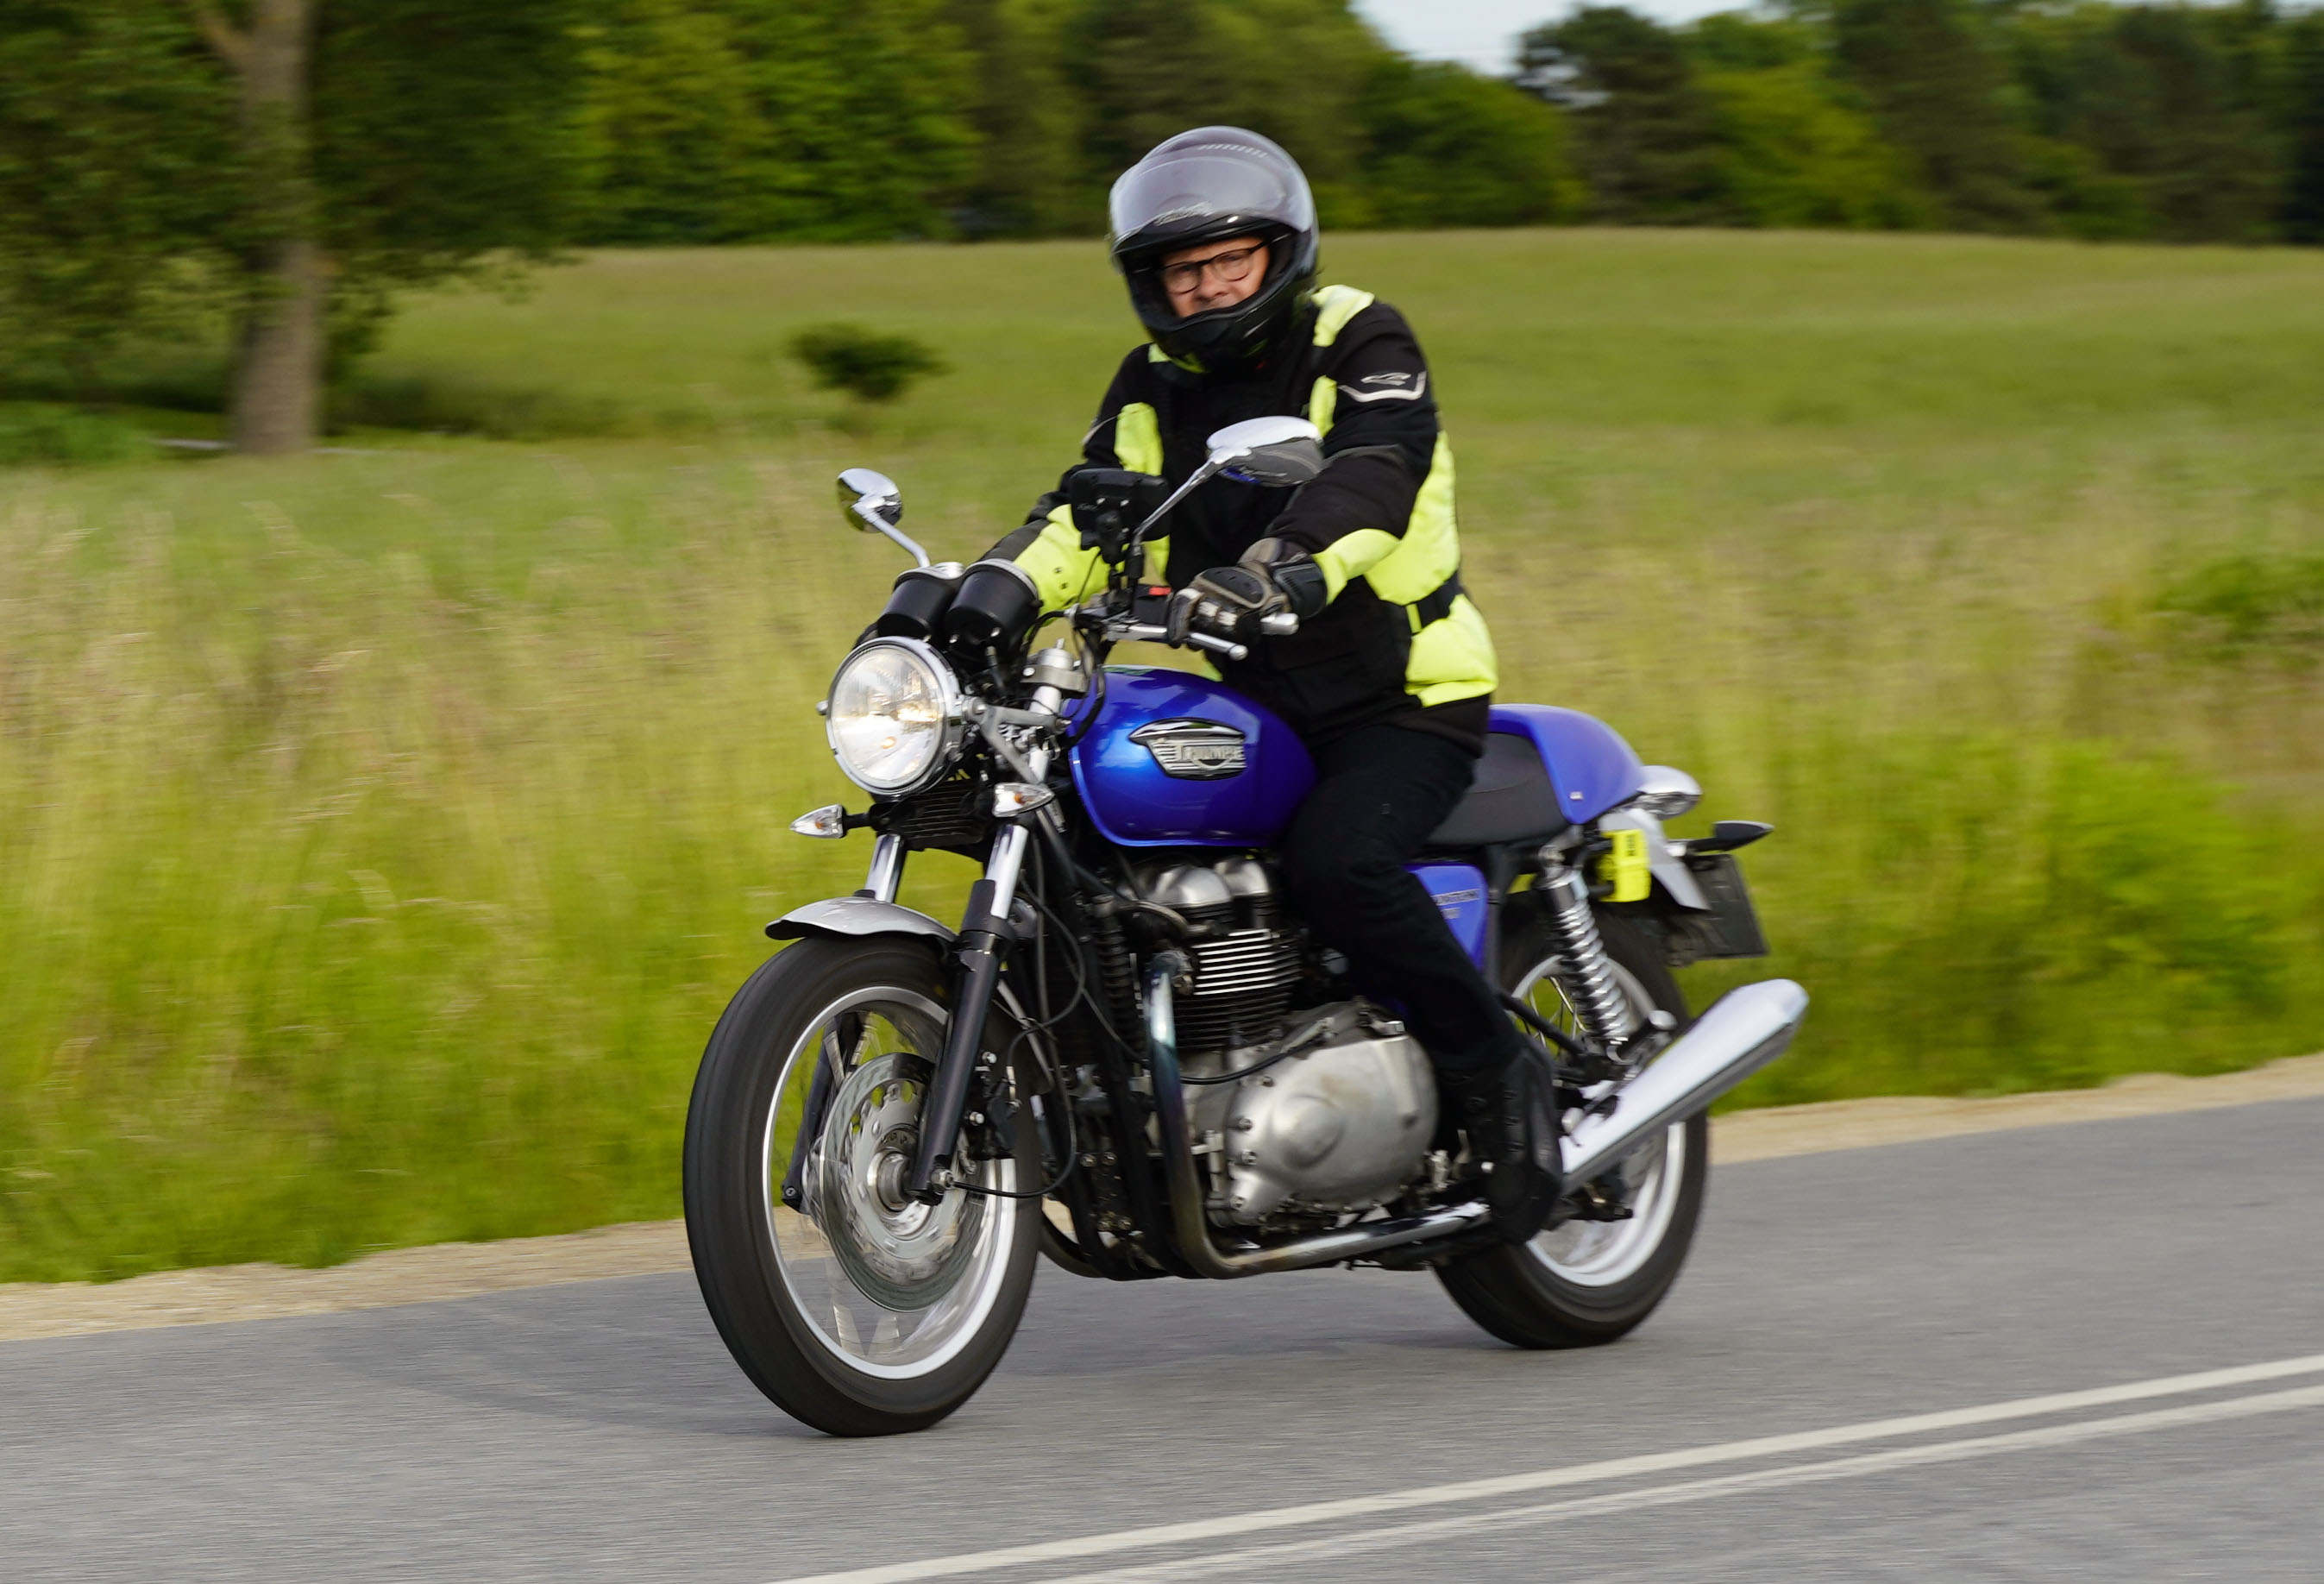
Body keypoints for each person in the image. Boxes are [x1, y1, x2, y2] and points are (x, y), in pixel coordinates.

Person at [979, 126, 1559, 1242]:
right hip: (1260, 704)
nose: (1202, 289)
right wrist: (981, 594)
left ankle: (1500, 1083)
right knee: (1089, 855)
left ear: (1279, 253)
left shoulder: (1357, 335)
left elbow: (1373, 472)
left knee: (1340, 861)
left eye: (1226, 262)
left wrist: (1278, 567)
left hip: (1402, 702)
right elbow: (1091, 513)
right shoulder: (1151, 383)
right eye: (1178, 272)